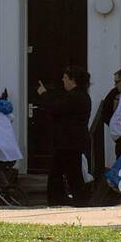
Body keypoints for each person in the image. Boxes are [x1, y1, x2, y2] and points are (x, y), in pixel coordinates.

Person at [36, 67, 92, 207]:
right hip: (71, 141)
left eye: (65, 77)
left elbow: (56, 108)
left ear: (73, 80)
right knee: (67, 172)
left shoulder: (74, 96)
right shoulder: (81, 96)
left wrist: (44, 94)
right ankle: (68, 199)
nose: (63, 80)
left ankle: (70, 200)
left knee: (67, 173)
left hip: (68, 142)